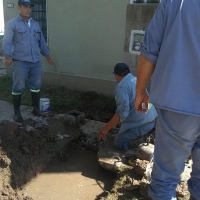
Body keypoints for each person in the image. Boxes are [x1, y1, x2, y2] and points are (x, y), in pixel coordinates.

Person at [134, 0, 200, 199]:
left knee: (165, 181)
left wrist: (140, 91)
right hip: (179, 104)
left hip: (179, 106)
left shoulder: (174, 3)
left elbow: (148, 54)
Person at [2, 0, 54, 122]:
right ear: (19, 7)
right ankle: (17, 113)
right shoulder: (12, 24)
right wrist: (7, 57)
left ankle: (35, 108)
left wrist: (48, 57)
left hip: (35, 61)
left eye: (30, 7)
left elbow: (41, 42)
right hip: (20, 62)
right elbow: (7, 41)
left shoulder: (35, 24)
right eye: (26, 7)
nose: (28, 9)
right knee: (18, 86)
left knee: (36, 86)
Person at [98, 63, 157, 150]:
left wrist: (106, 129)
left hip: (143, 123)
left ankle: (143, 142)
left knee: (119, 142)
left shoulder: (122, 87)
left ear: (116, 75)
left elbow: (122, 113)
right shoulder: (135, 79)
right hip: (153, 118)